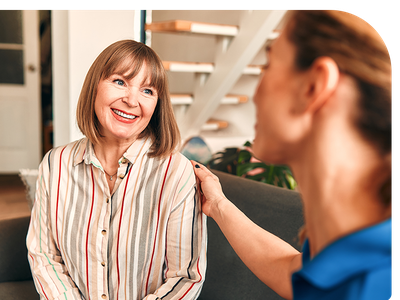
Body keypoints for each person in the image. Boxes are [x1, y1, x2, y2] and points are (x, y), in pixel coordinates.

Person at [192, 9, 392, 300]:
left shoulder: (374, 281)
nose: (255, 95)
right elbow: (289, 269)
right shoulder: (351, 243)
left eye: (269, 66)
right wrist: (218, 205)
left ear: (313, 87)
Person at [27, 40, 207, 300]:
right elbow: (44, 256)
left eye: (147, 91)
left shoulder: (176, 172)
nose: (131, 100)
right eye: (120, 82)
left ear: (157, 105)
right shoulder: (56, 164)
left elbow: (185, 277)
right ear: (95, 87)